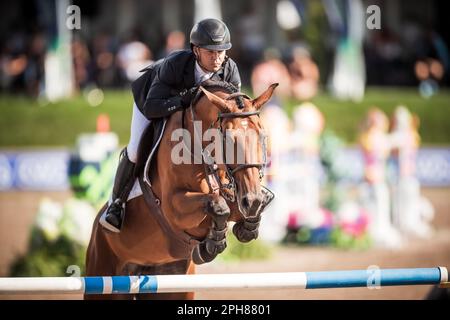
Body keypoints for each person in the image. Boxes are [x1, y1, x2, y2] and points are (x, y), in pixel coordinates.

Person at [101, 18, 242, 233]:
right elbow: (152, 108)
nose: (217, 58)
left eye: (221, 52)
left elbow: (234, 113)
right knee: (135, 150)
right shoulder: (175, 65)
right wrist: (182, 101)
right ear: (196, 50)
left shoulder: (230, 70)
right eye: (210, 52)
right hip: (152, 101)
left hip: (194, 117)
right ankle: (117, 205)